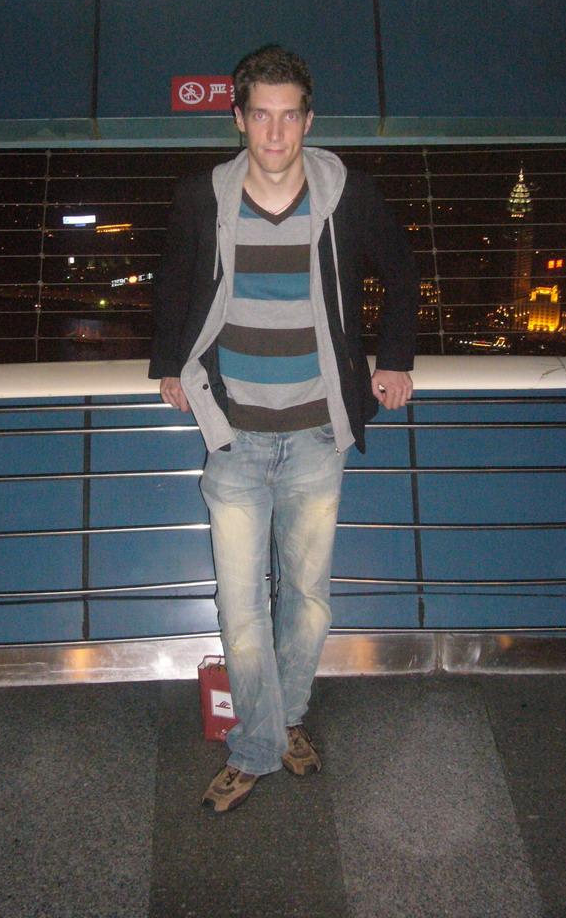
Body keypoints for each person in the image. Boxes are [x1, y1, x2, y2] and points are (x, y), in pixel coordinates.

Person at [149, 44, 419, 814]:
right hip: (233, 434)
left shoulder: (347, 194)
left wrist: (395, 359)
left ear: (307, 120)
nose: (274, 132)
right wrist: (171, 362)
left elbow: (402, 275)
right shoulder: (202, 197)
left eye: (288, 115)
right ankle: (261, 744)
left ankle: (278, 723)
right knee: (241, 607)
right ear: (239, 120)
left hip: (316, 435)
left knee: (306, 600)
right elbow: (175, 281)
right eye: (259, 115)